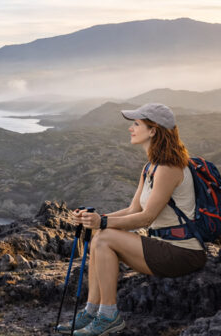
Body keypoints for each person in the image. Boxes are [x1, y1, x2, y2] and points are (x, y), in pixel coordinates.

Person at [56, 103, 207, 335]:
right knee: (99, 234)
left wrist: (102, 223)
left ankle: (108, 317)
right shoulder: (150, 167)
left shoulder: (169, 168)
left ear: (153, 130)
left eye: (136, 124)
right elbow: (132, 209)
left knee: (104, 237)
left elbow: (146, 218)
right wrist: (93, 219)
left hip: (182, 253)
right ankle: (92, 311)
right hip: (161, 247)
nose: (131, 128)